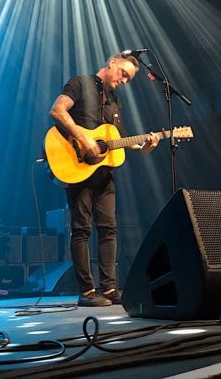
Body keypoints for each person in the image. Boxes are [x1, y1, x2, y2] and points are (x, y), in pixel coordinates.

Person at [49, 53, 160, 307]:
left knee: (109, 228)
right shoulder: (80, 84)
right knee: (81, 229)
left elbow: (114, 142)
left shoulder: (115, 103)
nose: (124, 81)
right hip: (77, 166)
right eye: (123, 74)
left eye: (129, 79)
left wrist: (144, 146)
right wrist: (84, 139)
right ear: (112, 63)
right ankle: (87, 292)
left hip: (103, 174)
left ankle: (109, 289)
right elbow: (57, 111)